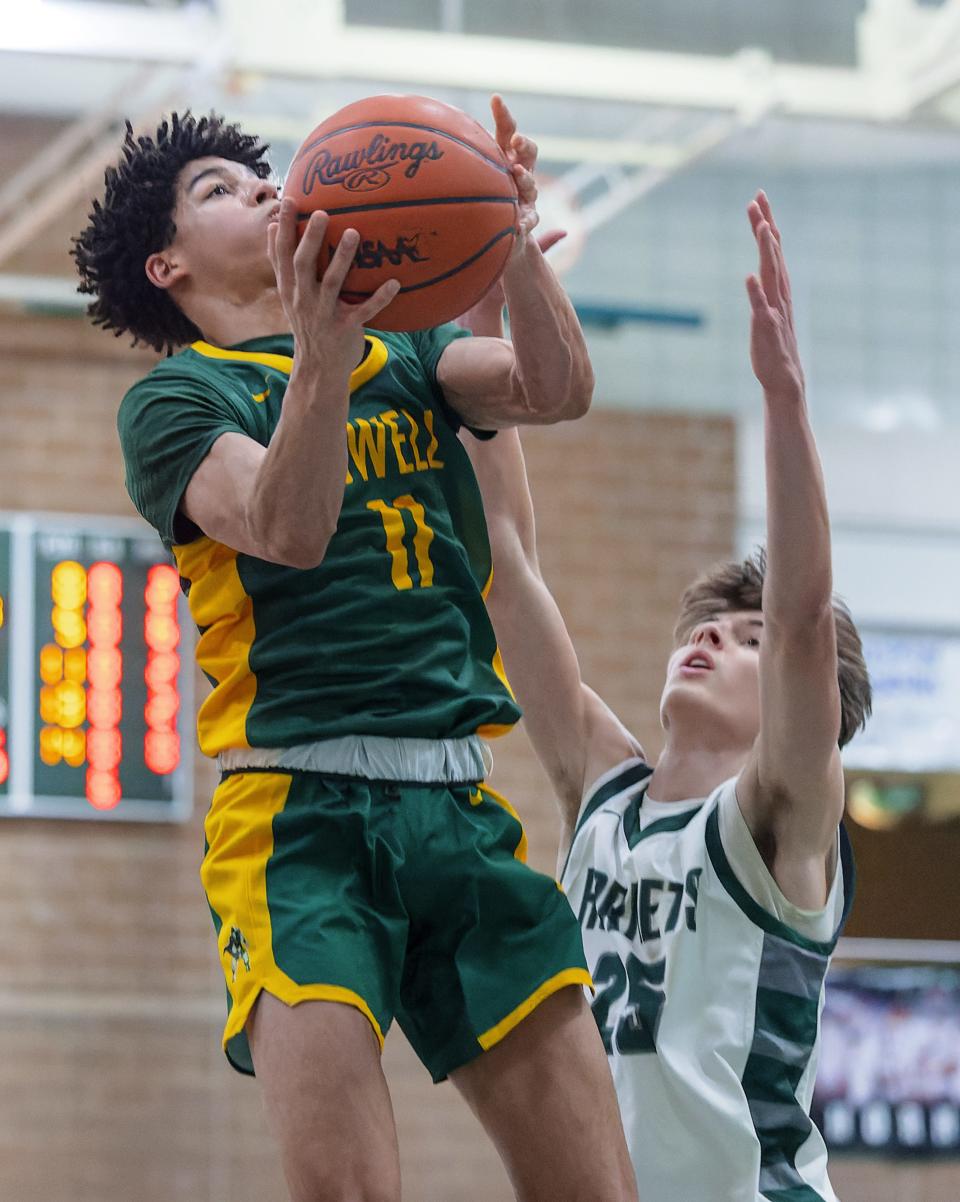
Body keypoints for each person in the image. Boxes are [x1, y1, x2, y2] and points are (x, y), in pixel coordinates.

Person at [71, 104, 638, 1202]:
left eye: (264, 175)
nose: (267, 191)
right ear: (170, 262)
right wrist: (318, 358)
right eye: (222, 189)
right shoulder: (178, 400)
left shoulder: (414, 348)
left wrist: (507, 233)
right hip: (296, 819)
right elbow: (288, 525)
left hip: (458, 804)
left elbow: (555, 387)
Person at [461, 193, 872, 1202]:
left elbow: (808, 618)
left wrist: (783, 404)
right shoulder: (604, 792)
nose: (710, 638)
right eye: (707, 626)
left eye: (745, 640)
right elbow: (506, 563)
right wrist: (475, 340)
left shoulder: (780, 820)